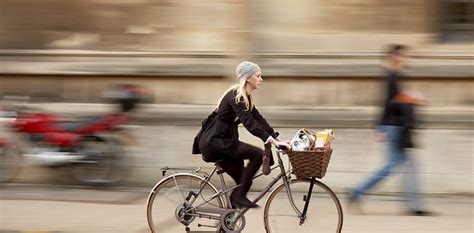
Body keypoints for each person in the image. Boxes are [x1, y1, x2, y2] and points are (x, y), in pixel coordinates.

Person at [192, 61, 290, 208]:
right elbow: (249, 123)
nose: (261, 79)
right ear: (248, 78)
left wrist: (277, 138)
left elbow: (259, 119)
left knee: (244, 180)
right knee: (257, 155)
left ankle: (228, 222)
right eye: (258, 76)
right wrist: (273, 142)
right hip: (216, 143)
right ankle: (238, 198)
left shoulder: (246, 97)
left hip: (224, 142)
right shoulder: (236, 97)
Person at [348, 44, 431, 216]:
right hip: (394, 127)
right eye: (404, 56)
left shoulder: (393, 75)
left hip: (393, 126)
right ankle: (357, 192)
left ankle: (358, 193)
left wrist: (411, 96)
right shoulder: (391, 75)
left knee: (401, 165)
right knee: (395, 165)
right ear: (395, 56)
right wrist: (414, 97)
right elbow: (389, 102)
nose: (407, 59)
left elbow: (394, 99)